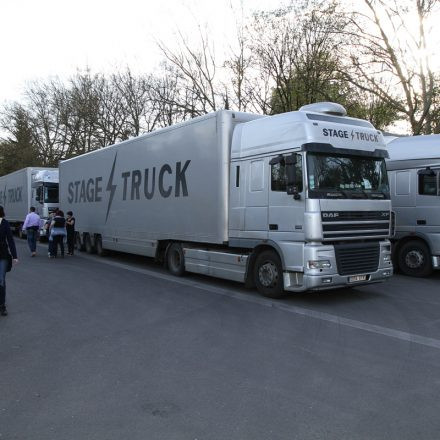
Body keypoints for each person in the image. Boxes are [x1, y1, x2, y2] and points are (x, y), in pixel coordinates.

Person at [0, 206, 18, 316]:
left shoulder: (5, 223)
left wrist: (15, 256)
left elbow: (10, 240)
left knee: (1, 279)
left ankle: (2, 305)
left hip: (2, 255)